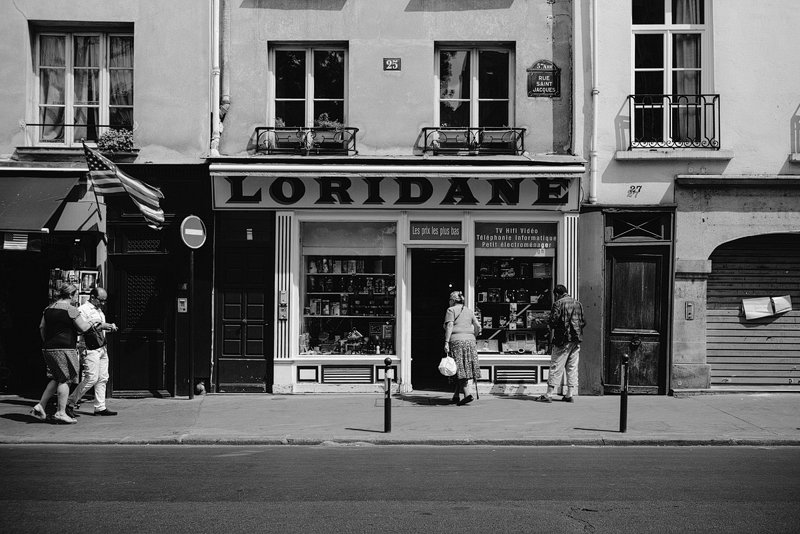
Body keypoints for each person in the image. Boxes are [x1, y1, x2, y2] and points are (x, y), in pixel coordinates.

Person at [30, 283, 92, 424]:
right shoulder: (71, 309)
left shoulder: (48, 308)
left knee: (57, 377)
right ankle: (60, 412)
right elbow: (83, 327)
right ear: (71, 295)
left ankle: (40, 405)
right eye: (76, 295)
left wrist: (48, 342)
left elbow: (41, 327)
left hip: (48, 348)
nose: (76, 298)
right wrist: (93, 324)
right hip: (64, 348)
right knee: (66, 378)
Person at [67, 287, 118, 417]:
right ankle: (69, 403)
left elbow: (99, 328)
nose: (103, 303)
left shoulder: (98, 310)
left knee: (103, 378)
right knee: (91, 378)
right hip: (89, 348)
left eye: (104, 301)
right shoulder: (83, 310)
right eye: (101, 300)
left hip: (101, 346)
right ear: (93, 297)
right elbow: (81, 329)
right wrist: (103, 326)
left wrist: (108, 328)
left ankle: (100, 407)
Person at [536, 284, 586, 403]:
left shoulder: (558, 303)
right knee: (572, 367)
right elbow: (583, 322)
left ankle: (549, 394)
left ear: (556, 294)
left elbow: (553, 322)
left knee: (555, 366)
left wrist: (546, 321)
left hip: (562, 340)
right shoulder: (578, 303)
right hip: (576, 339)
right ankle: (569, 394)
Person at [443, 290, 482, 406]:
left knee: (459, 368)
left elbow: (449, 325)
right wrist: (473, 336)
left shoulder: (451, 310)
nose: (449, 302)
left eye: (450, 300)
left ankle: (467, 394)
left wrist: (446, 341)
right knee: (464, 367)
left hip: (457, 341)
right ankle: (456, 396)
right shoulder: (469, 311)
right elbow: (478, 326)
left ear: (453, 300)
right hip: (470, 341)